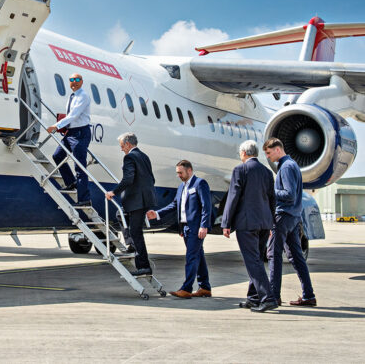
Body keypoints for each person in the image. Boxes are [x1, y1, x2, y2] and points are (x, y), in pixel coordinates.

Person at [221, 140, 278, 312]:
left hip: (247, 223)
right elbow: (272, 198)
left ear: (244, 153)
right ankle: (253, 297)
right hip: (263, 223)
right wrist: (271, 222)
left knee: (252, 261)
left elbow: (233, 197)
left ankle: (268, 298)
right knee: (258, 259)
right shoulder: (267, 172)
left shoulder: (240, 169)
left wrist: (226, 223)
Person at [263, 137, 317, 307]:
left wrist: (270, 191)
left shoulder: (285, 167)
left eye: (269, 153)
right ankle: (308, 295)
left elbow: (289, 194)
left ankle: (274, 295)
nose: (268, 157)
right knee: (296, 257)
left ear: (278, 149)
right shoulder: (292, 165)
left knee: (273, 254)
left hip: (284, 216)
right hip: (293, 217)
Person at [147, 160, 212, 298]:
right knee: (198, 255)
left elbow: (207, 206)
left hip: (196, 227)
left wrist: (204, 225)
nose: (179, 175)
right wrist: (157, 213)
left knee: (191, 257)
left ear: (189, 171)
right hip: (186, 228)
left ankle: (186, 289)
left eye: (180, 173)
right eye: (177, 173)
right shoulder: (181, 187)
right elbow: (174, 205)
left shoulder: (200, 184)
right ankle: (205, 287)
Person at [105, 133, 156, 276]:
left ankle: (143, 266)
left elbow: (128, 178)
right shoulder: (144, 156)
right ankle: (131, 244)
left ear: (128, 144)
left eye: (122, 146)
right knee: (120, 215)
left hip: (136, 200)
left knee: (136, 232)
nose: (121, 149)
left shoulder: (129, 157)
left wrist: (114, 192)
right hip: (145, 199)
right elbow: (151, 178)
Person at [47, 73, 91, 206]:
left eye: (77, 79)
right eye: (72, 80)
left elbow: (74, 115)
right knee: (57, 155)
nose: (74, 82)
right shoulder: (72, 96)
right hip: (71, 132)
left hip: (80, 133)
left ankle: (84, 199)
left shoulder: (83, 96)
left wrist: (57, 125)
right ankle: (71, 182)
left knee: (79, 166)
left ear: (82, 82)